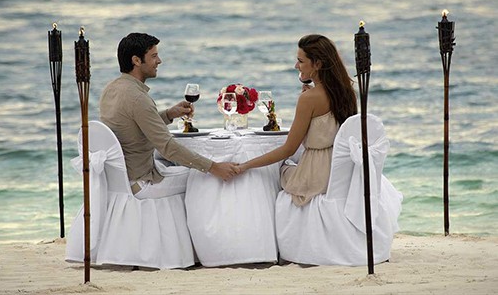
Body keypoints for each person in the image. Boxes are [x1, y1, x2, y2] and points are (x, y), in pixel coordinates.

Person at [99, 33, 238, 199]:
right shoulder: (138, 98)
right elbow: (168, 147)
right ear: (136, 61)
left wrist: (169, 114)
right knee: (205, 177)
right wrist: (215, 167)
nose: (159, 61)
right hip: (142, 182)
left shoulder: (111, 88)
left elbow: (133, 124)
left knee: (192, 167)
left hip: (119, 180)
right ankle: (204, 225)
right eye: (154, 56)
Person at [236, 34, 357, 206]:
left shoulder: (309, 99)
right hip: (341, 172)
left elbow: (288, 149)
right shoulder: (347, 92)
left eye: (300, 61)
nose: (296, 66)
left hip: (316, 176)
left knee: (277, 170)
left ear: (318, 64)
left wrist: (245, 166)